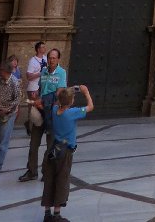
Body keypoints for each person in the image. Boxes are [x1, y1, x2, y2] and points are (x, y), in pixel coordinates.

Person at [41, 84, 93, 222]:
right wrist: (86, 92)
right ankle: (57, 215)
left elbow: (59, 97)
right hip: (65, 152)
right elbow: (90, 107)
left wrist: (67, 91)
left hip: (53, 149)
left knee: (49, 180)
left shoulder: (55, 110)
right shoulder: (72, 113)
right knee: (61, 180)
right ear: (71, 101)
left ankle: (47, 213)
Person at [21, 47, 66, 182]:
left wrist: (44, 102)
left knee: (50, 145)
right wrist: (37, 96)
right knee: (33, 144)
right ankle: (31, 171)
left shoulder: (61, 73)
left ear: (58, 59)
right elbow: (41, 89)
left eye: (54, 58)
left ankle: (47, 172)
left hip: (52, 113)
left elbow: (59, 94)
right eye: (50, 58)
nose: (51, 60)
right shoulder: (44, 71)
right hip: (40, 111)